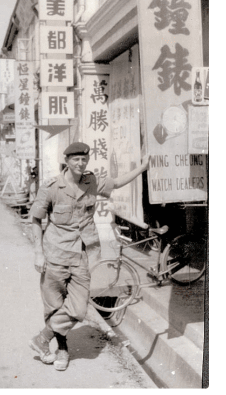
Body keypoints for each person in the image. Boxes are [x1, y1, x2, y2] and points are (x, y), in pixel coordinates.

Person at [28, 142, 149, 371]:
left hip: (81, 255)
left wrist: (142, 168)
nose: (80, 163)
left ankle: (42, 338)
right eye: (76, 159)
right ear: (67, 161)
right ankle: (62, 350)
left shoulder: (91, 182)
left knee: (78, 308)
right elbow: (35, 219)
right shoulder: (51, 187)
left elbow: (118, 182)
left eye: (84, 159)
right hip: (55, 254)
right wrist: (38, 253)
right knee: (54, 306)